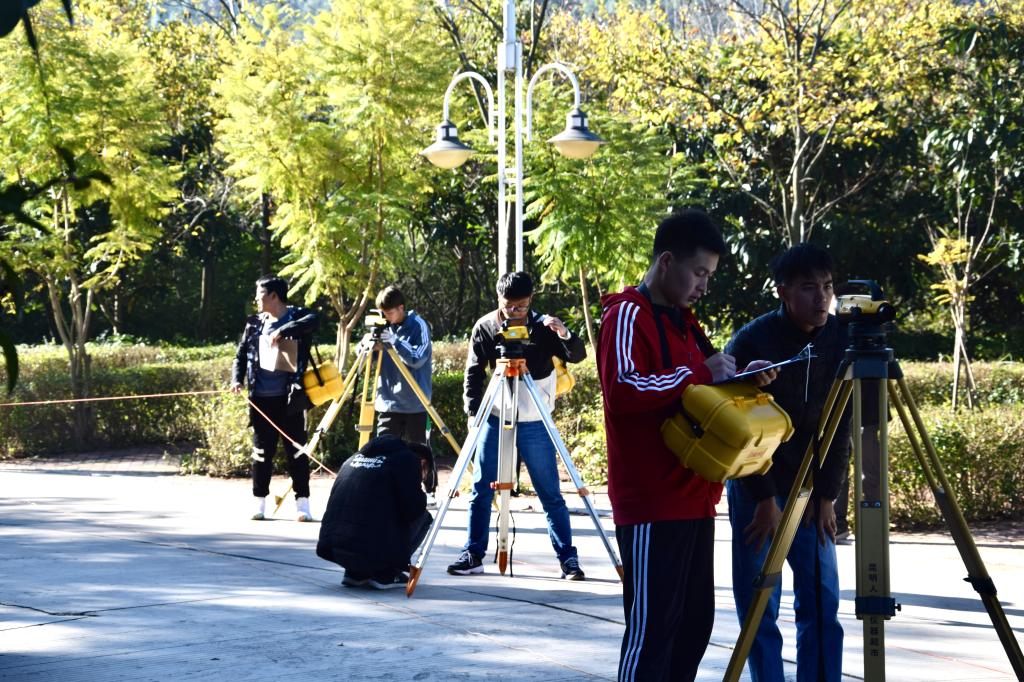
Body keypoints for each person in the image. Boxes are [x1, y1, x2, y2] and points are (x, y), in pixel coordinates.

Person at [597, 208, 777, 682]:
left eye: (709, 276)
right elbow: (622, 389)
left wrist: (743, 377)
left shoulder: (685, 321)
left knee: (694, 628)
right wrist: (701, 372)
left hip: (696, 499)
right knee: (652, 635)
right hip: (651, 503)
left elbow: (703, 391)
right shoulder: (626, 314)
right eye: (699, 273)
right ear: (666, 262)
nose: (703, 285)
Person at [724, 243, 850, 682]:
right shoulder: (752, 340)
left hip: (813, 489)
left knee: (822, 599)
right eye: (809, 287)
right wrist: (763, 498)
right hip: (758, 487)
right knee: (760, 603)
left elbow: (842, 424)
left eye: (828, 286)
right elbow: (735, 427)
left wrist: (828, 495)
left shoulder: (841, 338)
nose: (822, 297)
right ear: (782, 291)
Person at [446, 271, 588, 579]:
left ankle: (568, 558)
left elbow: (578, 354)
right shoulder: (485, 327)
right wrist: (473, 413)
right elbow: (473, 374)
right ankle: (473, 552)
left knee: (550, 492)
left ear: (531, 300)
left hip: (535, 418)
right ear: (499, 299)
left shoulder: (544, 327)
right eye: (508, 306)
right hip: (496, 416)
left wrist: (564, 332)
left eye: (521, 307)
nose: (514, 313)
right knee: (481, 489)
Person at [231, 275, 319, 522]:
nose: (256, 299)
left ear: (273, 296)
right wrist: (237, 379)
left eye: (260, 295)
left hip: (290, 400)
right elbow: (240, 356)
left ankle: (303, 505)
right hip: (260, 400)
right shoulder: (254, 323)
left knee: (297, 452)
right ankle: (259, 503)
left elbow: (315, 320)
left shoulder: (297, 316)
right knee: (261, 453)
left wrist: (283, 330)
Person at [316, 434, 433, 589]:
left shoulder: (353, 458)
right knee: (424, 517)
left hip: (333, 546)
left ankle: (355, 573)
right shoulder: (407, 460)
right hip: (369, 549)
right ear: (423, 463)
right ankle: (385, 574)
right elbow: (414, 509)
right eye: (425, 474)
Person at [365, 285, 433, 445]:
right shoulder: (383, 324)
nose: (386, 317)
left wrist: (395, 341)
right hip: (388, 405)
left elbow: (418, 358)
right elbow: (366, 359)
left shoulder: (418, 325)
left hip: (415, 405)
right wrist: (367, 345)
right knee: (385, 454)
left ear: (401, 308)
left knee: (419, 456)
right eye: (383, 313)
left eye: (389, 313)